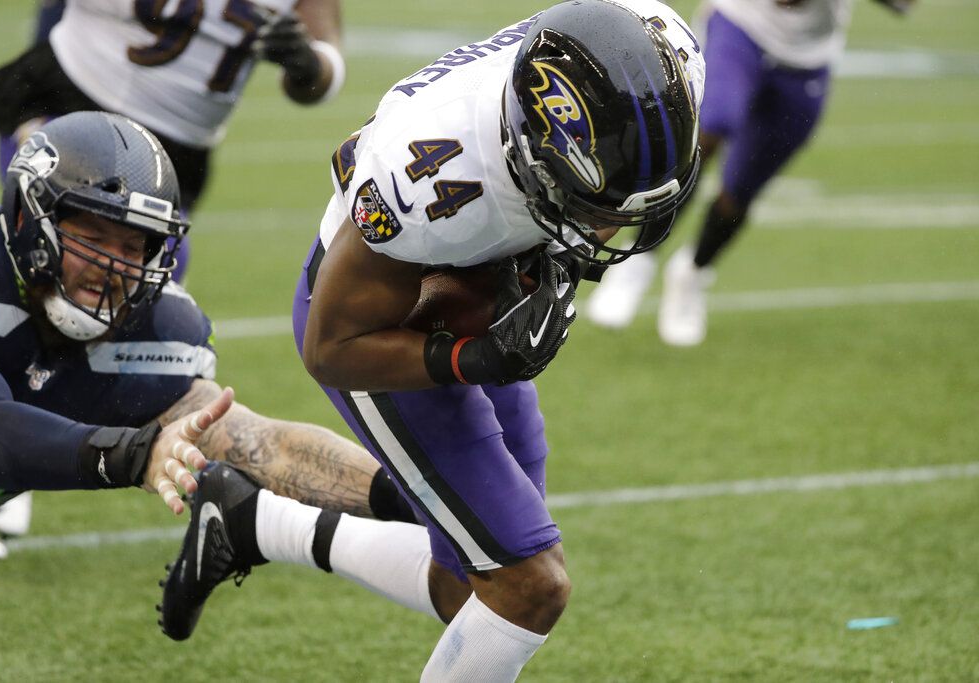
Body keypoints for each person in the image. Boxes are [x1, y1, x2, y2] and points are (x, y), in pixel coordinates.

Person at [157, 1, 704, 679]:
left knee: (470, 586)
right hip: (390, 321)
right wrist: (472, 356)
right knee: (527, 585)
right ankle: (252, 518)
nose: (606, 230)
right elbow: (331, 346)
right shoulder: (429, 176)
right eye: (595, 211)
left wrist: (543, 262)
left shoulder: (661, 48)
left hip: (481, 263)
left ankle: (253, 521)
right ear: (529, 153)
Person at [0, 112, 415, 561]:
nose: (114, 267)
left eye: (134, 248)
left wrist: (413, 499)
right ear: (26, 222)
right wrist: (132, 456)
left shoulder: (155, 326)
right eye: (93, 238)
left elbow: (264, 447)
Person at [586, 0, 914, 345]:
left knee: (742, 190)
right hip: (741, 24)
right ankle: (638, 258)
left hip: (807, 57)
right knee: (706, 134)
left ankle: (692, 273)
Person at [0, 0, 346, 281]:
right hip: (71, 99)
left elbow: (326, 64)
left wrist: (307, 63)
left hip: (174, 148)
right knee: (58, 264)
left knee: (142, 287)